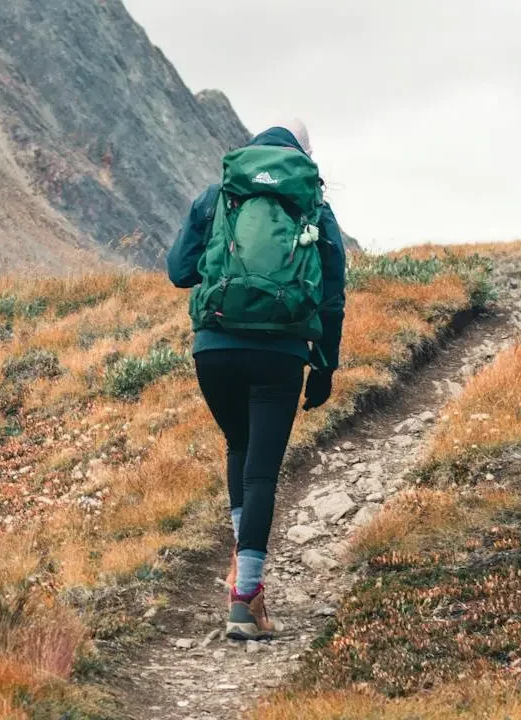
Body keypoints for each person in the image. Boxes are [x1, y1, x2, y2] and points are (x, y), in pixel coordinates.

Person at [166, 120, 347, 641]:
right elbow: (332, 293)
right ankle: (245, 599)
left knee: (238, 448)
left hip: (215, 350)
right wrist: (324, 366)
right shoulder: (313, 206)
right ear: (304, 155)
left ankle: (243, 578)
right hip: (280, 356)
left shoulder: (218, 196)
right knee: (261, 473)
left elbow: (180, 271)